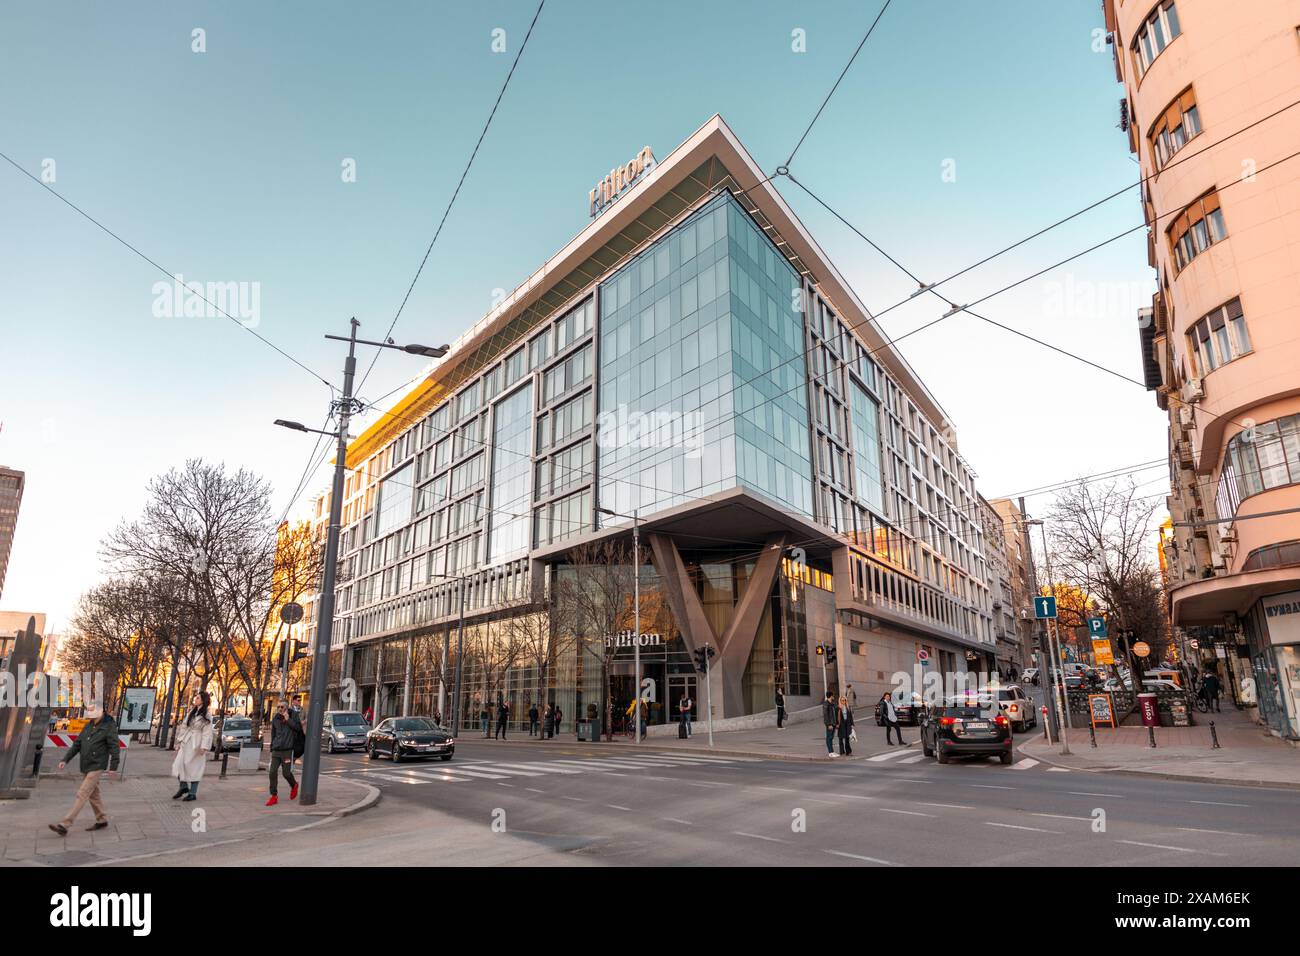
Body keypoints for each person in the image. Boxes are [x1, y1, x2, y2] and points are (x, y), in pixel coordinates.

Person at [49, 703, 119, 835]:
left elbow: (114, 747)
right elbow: (77, 744)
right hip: (86, 764)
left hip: (97, 765)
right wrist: (65, 759)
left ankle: (65, 824)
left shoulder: (109, 726)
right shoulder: (89, 725)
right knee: (94, 794)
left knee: (82, 793)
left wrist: (113, 767)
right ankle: (102, 819)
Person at [170, 689, 214, 802]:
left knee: (194, 768)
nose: (195, 699)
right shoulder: (192, 712)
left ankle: (192, 793)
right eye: (196, 697)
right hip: (187, 741)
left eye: (198, 697)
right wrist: (179, 741)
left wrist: (204, 747)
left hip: (197, 744)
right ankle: (183, 786)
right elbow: (184, 726)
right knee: (179, 765)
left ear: (203, 701)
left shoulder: (207, 716)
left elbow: (207, 733)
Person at [266, 701, 301, 807]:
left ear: (286, 708)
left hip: (287, 750)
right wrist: (272, 747)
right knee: (272, 772)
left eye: (282, 707)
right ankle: (273, 796)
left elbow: (297, 728)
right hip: (277, 749)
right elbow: (273, 733)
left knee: (286, 773)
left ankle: (294, 785)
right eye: (278, 707)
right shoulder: (276, 718)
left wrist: (288, 719)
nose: (280, 709)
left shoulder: (293, 715)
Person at [822, 691, 840, 758]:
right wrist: (829, 724)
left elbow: (836, 713)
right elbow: (825, 715)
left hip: (834, 723)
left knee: (831, 737)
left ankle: (832, 751)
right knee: (829, 737)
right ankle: (830, 752)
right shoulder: (825, 704)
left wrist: (837, 723)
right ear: (831, 696)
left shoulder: (833, 703)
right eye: (833, 695)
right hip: (830, 724)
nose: (833, 696)